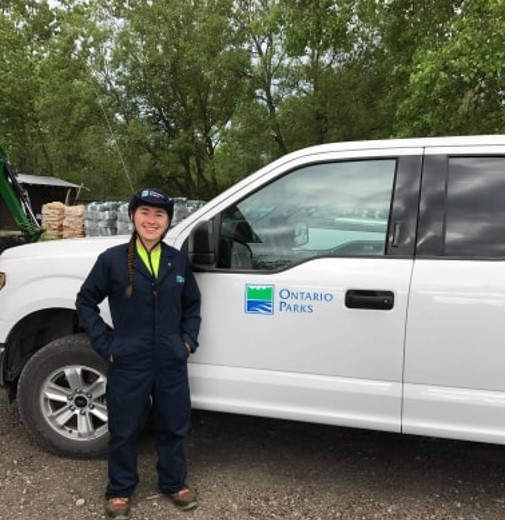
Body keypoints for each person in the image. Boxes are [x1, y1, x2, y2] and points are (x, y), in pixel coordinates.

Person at [75, 188, 201, 519]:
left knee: (173, 425)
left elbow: (193, 305)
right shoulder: (112, 260)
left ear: (168, 221)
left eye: (160, 214)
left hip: (170, 359)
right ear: (133, 216)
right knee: (125, 427)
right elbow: (85, 301)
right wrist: (106, 345)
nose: (151, 220)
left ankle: (173, 482)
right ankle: (119, 489)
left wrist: (186, 341)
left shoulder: (177, 261)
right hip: (129, 359)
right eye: (145, 212)